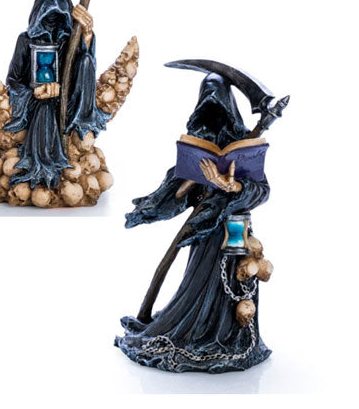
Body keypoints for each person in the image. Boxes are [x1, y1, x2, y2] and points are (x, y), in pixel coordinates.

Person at [115, 73, 271, 373]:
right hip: (202, 234)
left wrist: (232, 186)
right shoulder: (199, 144)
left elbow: (262, 191)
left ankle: (228, 336)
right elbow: (175, 194)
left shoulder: (244, 146)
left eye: (219, 107)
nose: (214, 116)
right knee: (199, 282)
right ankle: (194, 329)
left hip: (235, 229)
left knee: (234, 280)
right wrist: (191, 179)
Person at [3, 0, 110, 188]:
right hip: (38, 103)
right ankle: (42, 169)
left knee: (85, 61)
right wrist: (33, 93)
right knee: (44, 109)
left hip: (69, 103)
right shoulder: (25, 40)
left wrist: (86, 35)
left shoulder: (70, 39)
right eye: (47, 15)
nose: (52, 21)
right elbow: (13, 81)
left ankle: (81, 125)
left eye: (58, 15)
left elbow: (85, 68)